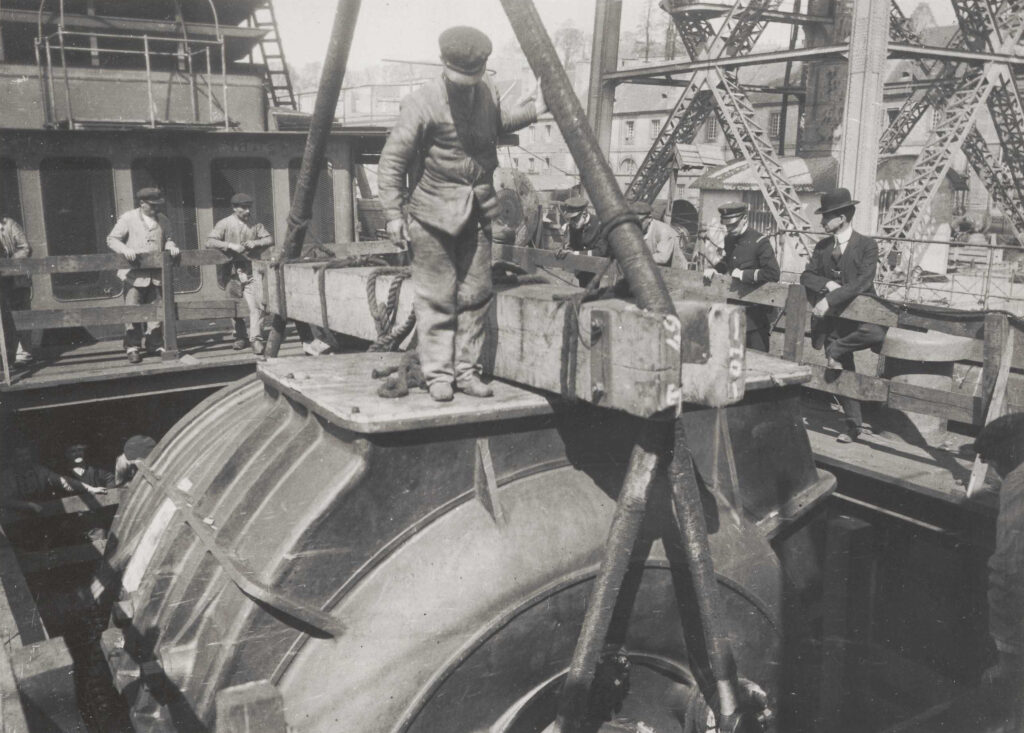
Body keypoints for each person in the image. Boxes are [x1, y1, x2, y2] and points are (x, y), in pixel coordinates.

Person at [378, 26, 545, 402]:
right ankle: (438, 376)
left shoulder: (487, 90)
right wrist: (392, 214)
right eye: (461, 81)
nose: (467, 86)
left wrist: (535, 110)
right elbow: (392, 161)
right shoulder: (420, 102)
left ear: (483, 68)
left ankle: (466, 373)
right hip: (431, 215)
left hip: (477, 211)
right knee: (437, 298)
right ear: (443, 64)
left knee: (475, 295)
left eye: (474, 79)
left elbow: (494, 125)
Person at [800, 188, 886, 443]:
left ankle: (836, 349)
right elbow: (807, 276)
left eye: (827, 217)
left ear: (844, 217)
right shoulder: (823, 246)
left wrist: (829, 299)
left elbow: (862, 283)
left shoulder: (867, 245)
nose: (822, 222)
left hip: (861, 317)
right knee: (844, 371)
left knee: (876, 332)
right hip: (834, 320)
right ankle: (853, 426)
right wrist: (826, 285)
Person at [973, 412, 1024, 728]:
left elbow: (1009, 569)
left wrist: (1006, 659)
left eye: (993, 462)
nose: (992, 472)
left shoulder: (1018, 484)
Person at [106, 188, 180, 364]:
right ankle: (133, 346)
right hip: (134, 275)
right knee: (132, 310)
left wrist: (171, 246)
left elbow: (168, 238)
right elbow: (112, 239)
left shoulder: (163, 220)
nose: (155, 209)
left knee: (156, 310)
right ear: (142, 203)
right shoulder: (128, 218)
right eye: (152, 205)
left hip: (156, 275)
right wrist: (125, 250)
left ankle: (154, 344)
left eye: (157, 205)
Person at [702, 201, 780, 352]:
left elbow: (773, 273)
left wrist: (744, 274)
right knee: (733, 357)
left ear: (745, 218)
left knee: (758, 360)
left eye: (733, 225)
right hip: (734, 310)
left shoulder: (760, 242)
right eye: (727, 225)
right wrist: (715, 269)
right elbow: (728, 260)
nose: (729, 229)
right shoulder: (729, 239)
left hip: (756, 315)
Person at [206, 193, 274, 355]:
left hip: (251, 272)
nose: (247, 211)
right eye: (243, 208)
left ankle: (256, 339)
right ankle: (240, 336)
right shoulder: (225, 223)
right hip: (231, 273)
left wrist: (255, 242)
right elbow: (209, 241)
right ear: (234, 208)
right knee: (235, 308)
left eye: (249, 207)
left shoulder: (255, 224)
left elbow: (269, 239)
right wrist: (230, 245)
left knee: (257, 306)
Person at [0, 442, 103, 515]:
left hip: (39, 513)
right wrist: (28, 505)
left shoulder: (39, 470)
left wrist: (90, 488)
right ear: (13, 459)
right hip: (15, 518)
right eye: (20, 456)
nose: (24, 459)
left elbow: (62, 481)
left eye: (26, 455)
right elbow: (4, 500)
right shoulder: (6, 476)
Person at [0, 213, 33, 366]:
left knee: (20, 312)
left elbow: (25, 248)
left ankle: (23, 352)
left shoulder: (8, 225)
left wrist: (8, 264)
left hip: (13, 279)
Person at [631, 200, 687, 270]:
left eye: (639, 221)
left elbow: (663, 257)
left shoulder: (663, 231)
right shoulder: (637, 230)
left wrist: (638, 258)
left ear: (649, 218)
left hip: (675, 270)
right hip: (650, 266)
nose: (635, 225)